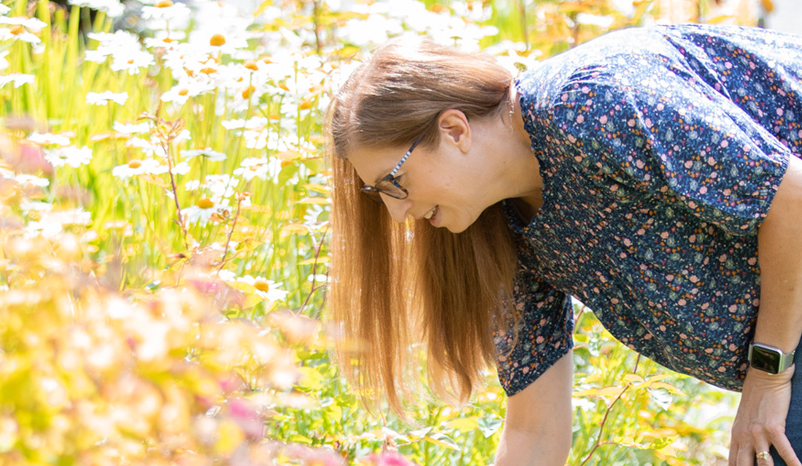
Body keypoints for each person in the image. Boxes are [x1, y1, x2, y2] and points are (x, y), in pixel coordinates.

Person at [325, 22, 802, 466]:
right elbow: (534, 429)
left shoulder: (590, 103)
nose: (397, 213)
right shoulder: (497, 231)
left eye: (394, 183)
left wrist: (768, 372)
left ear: (454, 130)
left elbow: (792, 198)